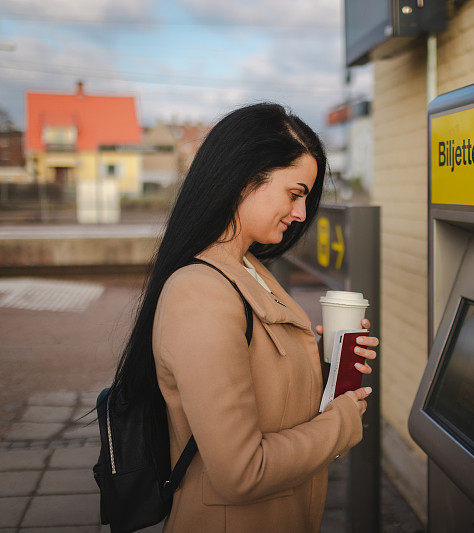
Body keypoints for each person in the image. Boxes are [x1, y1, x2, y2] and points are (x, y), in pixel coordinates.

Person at [110, 103, 379, 532]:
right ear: (244, 180)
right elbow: (241, 471)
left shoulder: (247, 269)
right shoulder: (200, 292)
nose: (301, 215)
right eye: (295, 194)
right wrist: (343, 421)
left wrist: (329, 369)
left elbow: (262, 388)